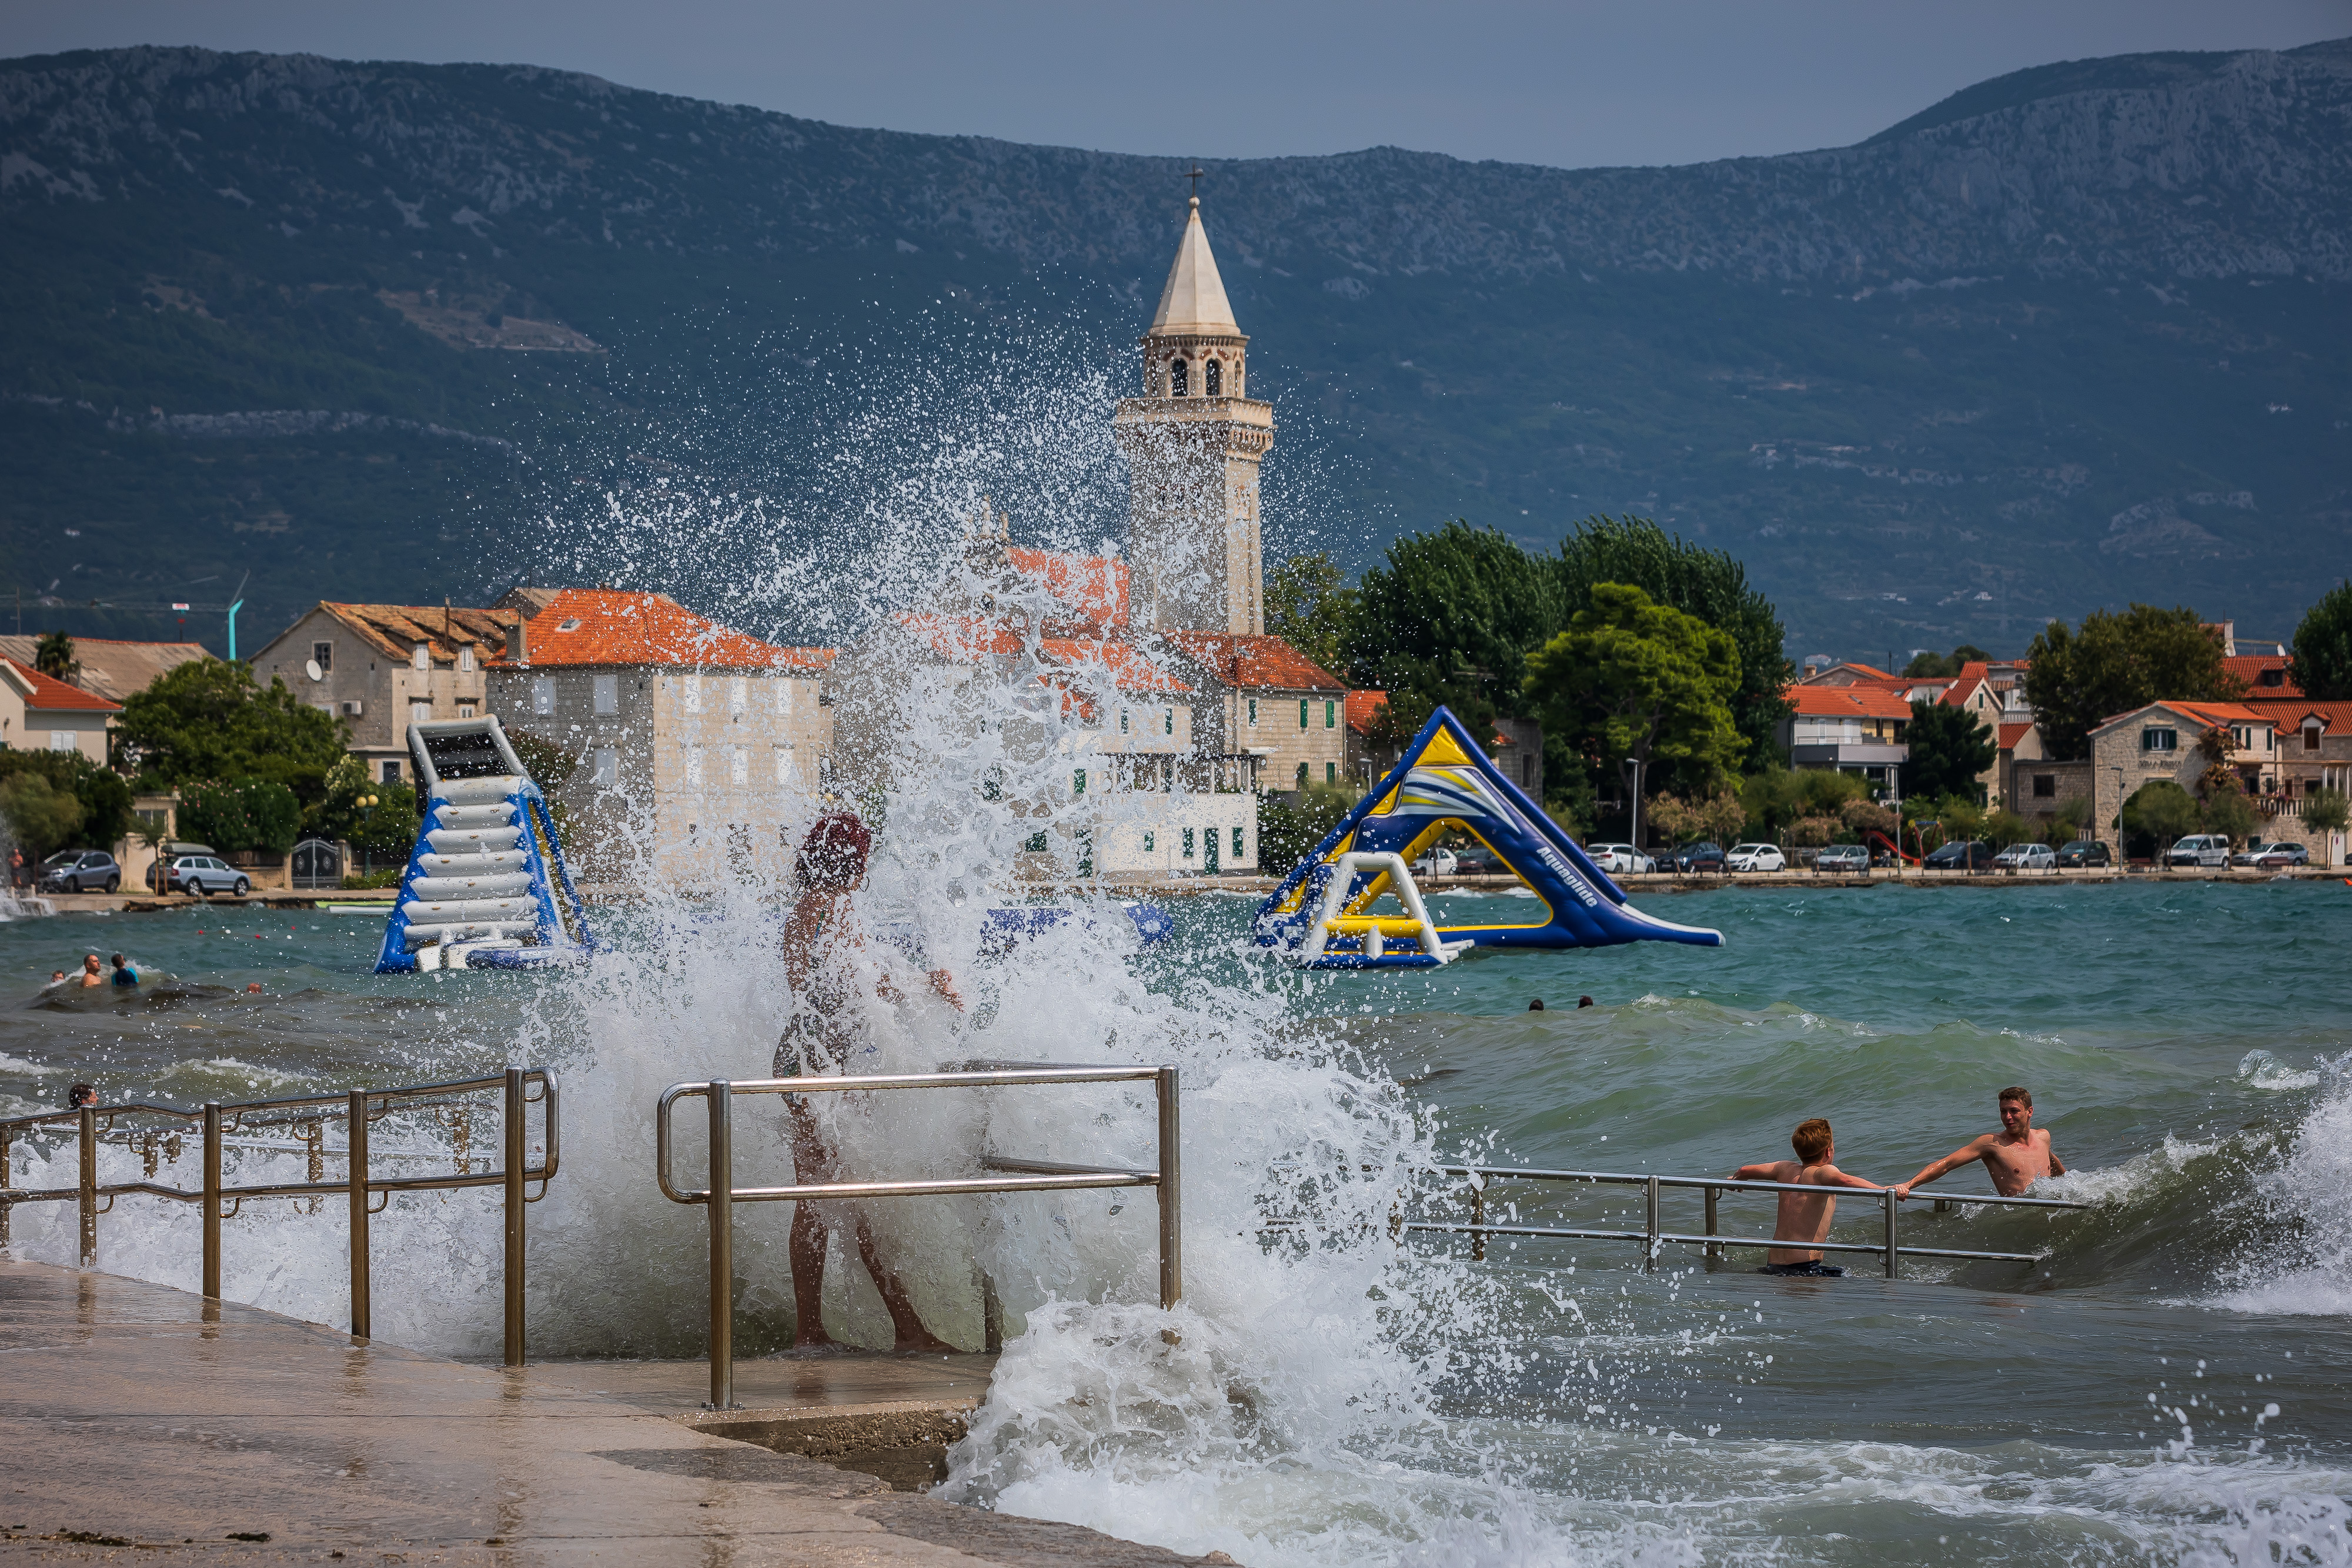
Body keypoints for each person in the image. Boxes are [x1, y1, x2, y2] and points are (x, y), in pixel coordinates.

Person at [775, 810, 960, 1353]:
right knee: (850, 1197)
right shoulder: (830, 908)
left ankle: (819, 1330)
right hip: (815, 1067)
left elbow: (831, 987)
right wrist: (926, 984)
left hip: (808, 1060)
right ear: (850, 863)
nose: (865, 872)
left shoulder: (809, 908)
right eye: (863, 861)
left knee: (823, 1198)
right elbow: (859, 981)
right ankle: (904, 1331)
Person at [1733, 1118, 1884, 1277]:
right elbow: (1846, 1181)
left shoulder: (1784, 1169)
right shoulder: (1823, 1172)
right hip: (1804, 1268)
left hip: (1773, 1266)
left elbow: (1744, 1170)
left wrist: (1737, 1180)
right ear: (1828, 1151)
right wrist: (1885, 1190)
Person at [1893, 1086, 2065, 1201]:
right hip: (2020, 1214)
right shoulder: (1992, 1144)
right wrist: (1909, 1185)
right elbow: (1947, 1164)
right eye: (2003, 1111)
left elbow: (2053, 1164)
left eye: (2014, 1111)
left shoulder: (2043, 1137)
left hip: (2047, 1211)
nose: (2007, 1117)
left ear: (2030, 1112)